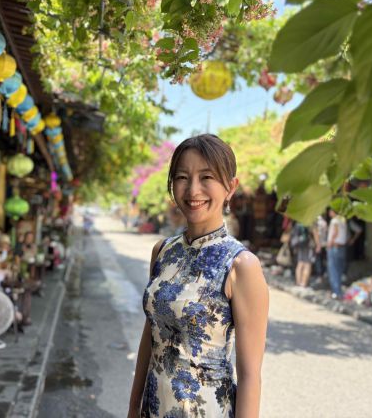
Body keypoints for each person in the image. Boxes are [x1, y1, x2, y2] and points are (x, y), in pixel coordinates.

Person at [129, 134, 269, 418]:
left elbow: (250, 376)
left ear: (230, 187)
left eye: (207, 177)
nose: (193, 190)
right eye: (182, 177)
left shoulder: (241, 266)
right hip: (153, 408)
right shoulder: (162, 251)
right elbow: (151, 334)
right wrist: (134, 407)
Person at [327, 209, 347, 299]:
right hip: (342, 247)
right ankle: (339, 292)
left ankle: (336, 292)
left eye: (330, 211)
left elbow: (335, 232)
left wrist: (329, 243)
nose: (329, 213)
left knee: (333, 270)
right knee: (339, 270)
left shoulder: (334, 221)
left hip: (334, 246)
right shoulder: (343, 220)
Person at [291, 222, 315, 288]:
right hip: (308, 246)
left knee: (300, 263)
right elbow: (314, 234)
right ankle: (303, 283)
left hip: (300, 245)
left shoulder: (298, 223)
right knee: (307, 264)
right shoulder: (310, 223)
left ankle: (298, 282)